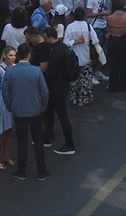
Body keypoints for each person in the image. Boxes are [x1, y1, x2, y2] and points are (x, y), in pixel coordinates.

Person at [2, 43, 51, 181]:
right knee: (38, 141)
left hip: (18, 111)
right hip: (35, 111)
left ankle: (21, 171)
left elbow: (5, 93)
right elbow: (45, 92)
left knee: (22, 142)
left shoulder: (10, 72)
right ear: (29, 54)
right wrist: (43, 106)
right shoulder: (36, 71)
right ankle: (42, 171)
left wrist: (11, 106)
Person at [41, 26, 76, 154]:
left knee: (61, 115)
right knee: (49, 112)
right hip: (61, 86)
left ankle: (69, 144)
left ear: (51, 37)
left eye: (45, 38)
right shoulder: (63, 48)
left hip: (56, 88)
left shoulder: (56, 52)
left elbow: (51, 73)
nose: (44, 40)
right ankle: (47, 137)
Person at [65, 7, 97, 106]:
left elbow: (65, 42)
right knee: (86, 79)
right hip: (86, 57)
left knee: (74, 80)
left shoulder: (70, 27)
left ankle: (74, 98)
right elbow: (96, 40)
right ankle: (84, 98)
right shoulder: (88, 26)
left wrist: (74, 42)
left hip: (73, 58)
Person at [0, 46, 17, 170]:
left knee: (9, 131)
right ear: (4, 56)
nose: (12, 58)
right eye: (10, 55)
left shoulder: (14, 67)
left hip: (11, 104)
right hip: (2, 104)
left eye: (14, 55)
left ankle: (7, 155)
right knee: (0, 132)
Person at [104, 0, 126, 92]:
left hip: (113, 40)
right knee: (125, 63)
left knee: (113, 64)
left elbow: (108, 28)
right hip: (124, 40)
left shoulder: (109, 18)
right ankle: (125, 85)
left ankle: (113, 86)